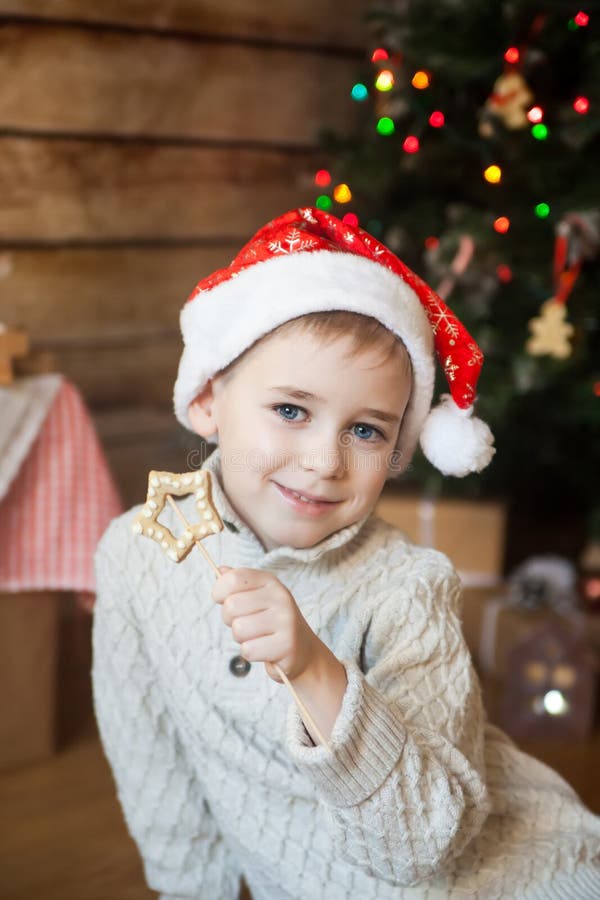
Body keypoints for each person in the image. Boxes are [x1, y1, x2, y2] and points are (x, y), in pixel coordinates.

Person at [92, 207, 600, 900]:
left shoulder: (409, 590)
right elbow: (151, 761)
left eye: (365, 430)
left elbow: (428, 849)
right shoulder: (139, 554)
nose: (325, 461)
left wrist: (315, 671)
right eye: (292, 411)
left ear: (396, 451)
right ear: (209, 398)